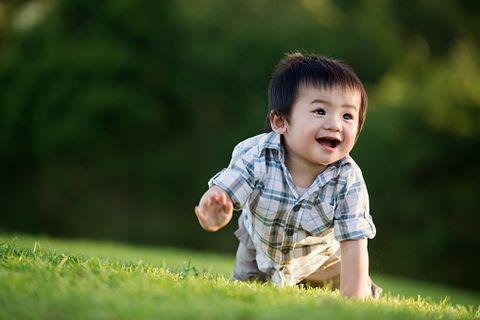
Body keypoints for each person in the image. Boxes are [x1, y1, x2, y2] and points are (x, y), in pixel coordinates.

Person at [194, 52, 382, 299]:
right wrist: (214, 207)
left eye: (347, 116)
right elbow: (226, 188)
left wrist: (354, 303)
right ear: (280, 121)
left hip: (321, 259)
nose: (335, 124)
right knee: (242, 291)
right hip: (259, 247)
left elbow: (354, 245)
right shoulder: (257, 155)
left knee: (353, 288)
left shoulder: (348, 179)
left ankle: (366, 290)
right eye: (319, 111)